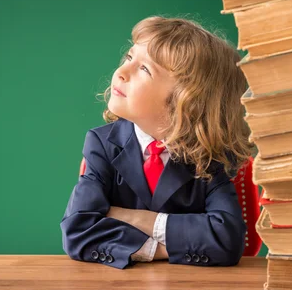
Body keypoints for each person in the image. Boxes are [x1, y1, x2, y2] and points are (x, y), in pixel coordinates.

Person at [60, 16, 254, 269]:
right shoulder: (101, 144)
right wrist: (159, 247)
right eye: (129, 58)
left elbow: (226, 239)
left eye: (144, 69)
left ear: (187, 102)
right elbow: (77, 232)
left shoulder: (212, 156)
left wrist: (132, 217)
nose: (121, 72)